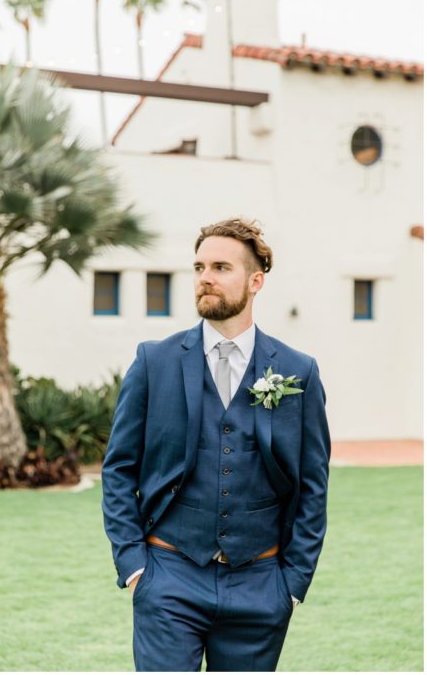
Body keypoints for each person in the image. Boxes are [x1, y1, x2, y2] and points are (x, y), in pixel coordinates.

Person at [101, 218, 330, 671]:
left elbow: (312, 485)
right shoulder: (154, 361)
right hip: (168, 575)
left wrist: (293, 582)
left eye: (221, 267)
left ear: (255, 280)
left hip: (261, 584)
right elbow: (118, 468)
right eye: (200, 266)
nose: (205, 276)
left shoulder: (297, 371)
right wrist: (134, 566)